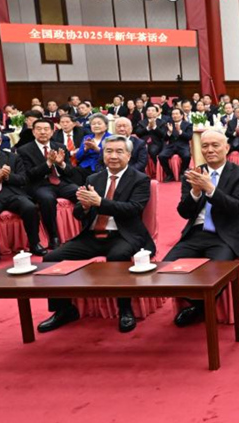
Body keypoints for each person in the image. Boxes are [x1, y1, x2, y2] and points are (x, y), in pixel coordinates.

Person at [37, 135, 155, 334]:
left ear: (128, 155)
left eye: (119, 151)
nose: (113, 156)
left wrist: (100, 202)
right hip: (92, 235)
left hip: (124, 235)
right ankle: (64, 309)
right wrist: (83, 207)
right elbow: (78, 214)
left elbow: (133, 209)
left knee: (118, 256)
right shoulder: (94, 178)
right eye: (109, 151)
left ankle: (125, 309)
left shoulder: (140, 179)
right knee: (51, 258)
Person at [164, 129, 239, 327]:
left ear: (227, 148)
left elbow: (235, 208)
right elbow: (184, 212)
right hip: (196, 233)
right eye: (205, 146)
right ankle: (200, 305)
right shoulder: (193, 174)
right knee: (165, 270)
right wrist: (195, 192)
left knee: (216, 275)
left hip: (226, 235)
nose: (210, 150)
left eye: (215, 145)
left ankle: (198, 309)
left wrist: (211, 189)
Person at [19, 118, 80, 252]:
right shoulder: (24, 150)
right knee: (46, 199)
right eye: (39, 129)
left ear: (52, 132)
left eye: (46, 129)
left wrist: (60, 163)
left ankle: (86, 229)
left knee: (80, 193)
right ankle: (54, 237)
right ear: (33, 132)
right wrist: (48, 164)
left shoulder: (60, 147)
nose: (43, 132)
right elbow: (29, 174)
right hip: (40, 185)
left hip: (61, 182)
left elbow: (70, 172)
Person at [0, 128, 43, 265]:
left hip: (12, 194)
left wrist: (7, 176)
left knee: (29, 207)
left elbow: (23, 179)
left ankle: (35, 243)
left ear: (0, 141)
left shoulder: (12, 157)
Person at [157, 108, 192, 182]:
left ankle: (182, 172)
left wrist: (180, 131)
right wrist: (169, 132)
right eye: (173, 114)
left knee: (187, 156)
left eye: (176, 114)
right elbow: (165, 139)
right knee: (161, 156)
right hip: (171, 145)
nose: (174, 116)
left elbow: (189, 137)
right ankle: (170, 174)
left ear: (181, 115)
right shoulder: (168, 124)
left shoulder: (188, 124)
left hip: (182, 145)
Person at [74, 113, 111, 178]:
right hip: (85, 166)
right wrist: (85, 149)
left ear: (106, 126)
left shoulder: (110, 138)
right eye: (93, 124)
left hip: (102, 167)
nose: (96, 126)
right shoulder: (87, 137)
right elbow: (78, 157)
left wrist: (97, 149)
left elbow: (110, 155)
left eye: (99, 124)